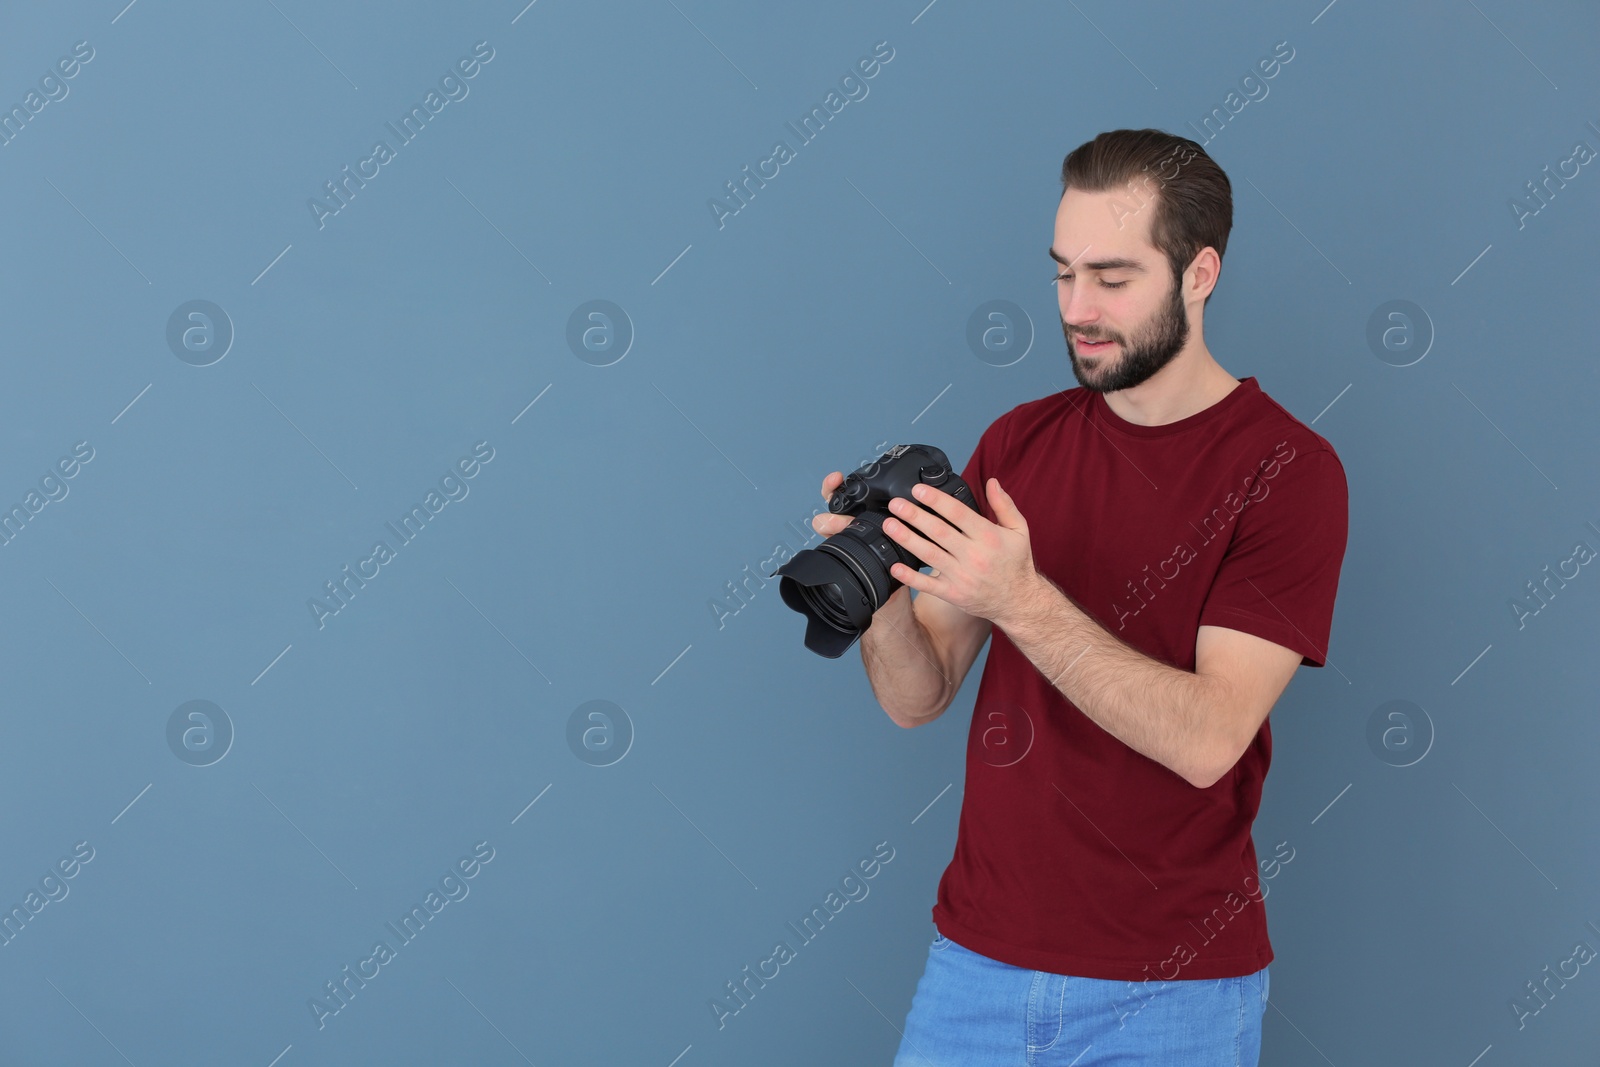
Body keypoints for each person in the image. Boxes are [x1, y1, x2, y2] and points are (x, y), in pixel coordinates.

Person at [814, 128, 1349, 1065]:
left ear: (1200, 273)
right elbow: (917, 696)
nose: (1077, 309)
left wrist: (1022, 600)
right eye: (1062, 273)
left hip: (1175, 993)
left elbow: (1208, 738)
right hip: (976, 966)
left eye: (1112, 276)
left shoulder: (1287, 470)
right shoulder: (1019, 442)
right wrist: (882, 593)